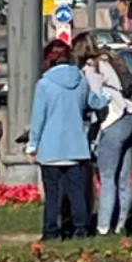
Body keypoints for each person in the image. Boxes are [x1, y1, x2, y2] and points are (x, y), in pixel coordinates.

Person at [29, 36, 95, 240]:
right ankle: (81, 229)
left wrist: (32, 145)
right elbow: (93, 101)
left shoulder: (45, 84)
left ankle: (51, 231)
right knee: (77, 193)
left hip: (51, 149)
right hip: (75, 147)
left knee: (53, 195)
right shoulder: (80, 80)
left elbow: (38, 118)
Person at [80, 34, 132, 238]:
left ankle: (104, 227)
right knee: (124, 177)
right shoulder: (109, 61)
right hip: (129, 116)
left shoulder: (90, 68)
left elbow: (95, 99)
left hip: (111, 122)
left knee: (107, 178)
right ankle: (122, 224)